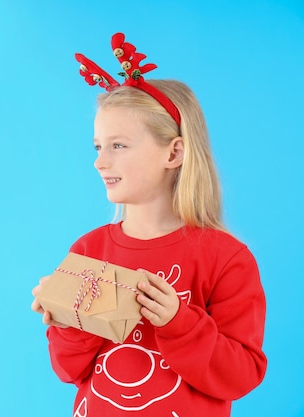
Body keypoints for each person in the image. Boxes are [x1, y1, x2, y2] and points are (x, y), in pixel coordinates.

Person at [31, 33, 267, 417]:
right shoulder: (88, 250)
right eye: (98, 146)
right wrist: (67, 319)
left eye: (118, 145)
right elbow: (67, 369)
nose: (100, 162)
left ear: (173, 152)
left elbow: (241, 376)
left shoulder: (226, 259)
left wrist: (179, 322)